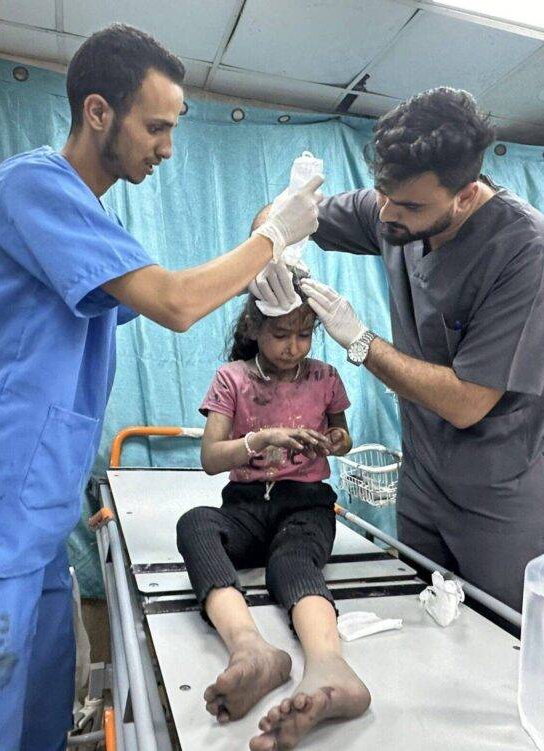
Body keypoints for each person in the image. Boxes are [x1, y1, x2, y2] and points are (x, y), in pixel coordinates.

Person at [0, 24, 323, 751]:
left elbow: (170, 290)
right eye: (155, 127)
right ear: (99, 112)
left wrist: (260, 245)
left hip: (30, 524)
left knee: (36, 721)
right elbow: (178, 303)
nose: (166, 147)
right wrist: (270, 242)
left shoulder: (90, 219)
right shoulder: (33, 186)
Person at [251, 87, 544, 612]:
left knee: (503, 640)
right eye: (382, 195)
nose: (386, 214)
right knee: (421, 617)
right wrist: (270, 245)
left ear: (465, 195)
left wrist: (360, 341)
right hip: (424, 475)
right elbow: (284, 213)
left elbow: (468, 402)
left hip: (501, 488)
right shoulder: (394, 208)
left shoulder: (529, 251)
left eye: (408, 205)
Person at [176, 275, 370, 751]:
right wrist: (258, 440)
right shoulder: (233, 379)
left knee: (292, 562)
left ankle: (329, 667)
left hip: (305, 505)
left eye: (304, 335)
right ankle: (252, 650)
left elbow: (342, 434)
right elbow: (209, 459)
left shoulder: (324, 376)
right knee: (196, 523)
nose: (293, 347)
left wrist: (336, 441)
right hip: (245, 507)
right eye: (281, 335)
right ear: (255, 328)